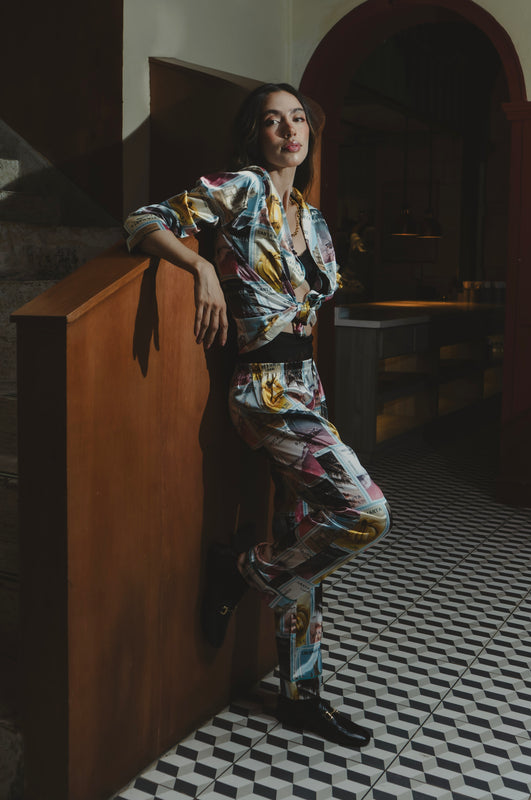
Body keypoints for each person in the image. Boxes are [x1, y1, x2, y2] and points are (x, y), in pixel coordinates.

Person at [124, 83, 391, 748]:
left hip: (308, 386)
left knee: (303, 536)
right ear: (255, 135)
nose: (288, 130)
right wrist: (200, 266)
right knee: (365, 513)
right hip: (266, 390)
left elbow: (311, 301)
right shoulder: (241, 189)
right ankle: (242, 569)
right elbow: (143, 219)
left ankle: (301, 695)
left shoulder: (315, 219)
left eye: (297, 119)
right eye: (273, 121)